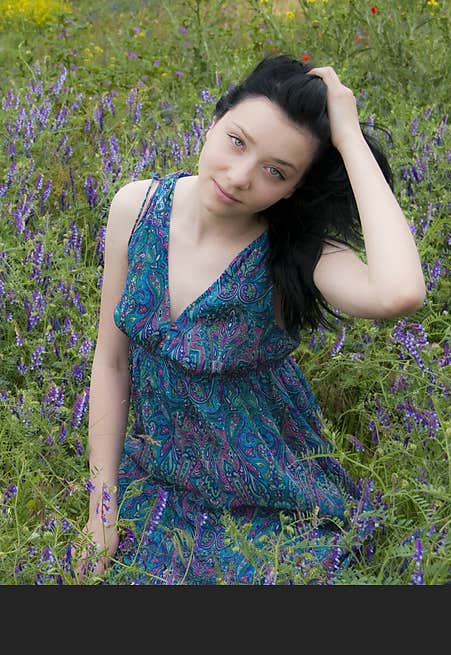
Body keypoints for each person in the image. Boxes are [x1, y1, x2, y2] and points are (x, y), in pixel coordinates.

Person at [80, 55, 426, 584]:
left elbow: (400, 292)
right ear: (215, 119)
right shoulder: (136, 207)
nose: (240, 178)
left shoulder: (292, 251)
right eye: (237, 141)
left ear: (292, 188)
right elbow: (112, 361)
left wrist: (349, 138)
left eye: (276, 172)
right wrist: (100, 513)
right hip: (159, 476)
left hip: (266, 489)